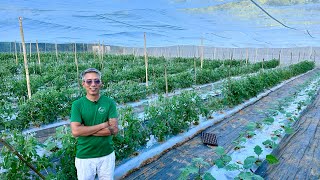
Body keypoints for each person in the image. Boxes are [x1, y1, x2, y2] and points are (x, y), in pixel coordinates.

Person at [70, 68, 119, 180]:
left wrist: (85, 130)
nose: (93, 84)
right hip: (85, 157)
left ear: (101, 83)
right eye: (89, 81)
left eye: (96, 81)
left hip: (106, 155)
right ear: (83, 84)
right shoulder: (77, 105)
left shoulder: (109, 103)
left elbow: (114, 130)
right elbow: (76, 131)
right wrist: (103, 125)